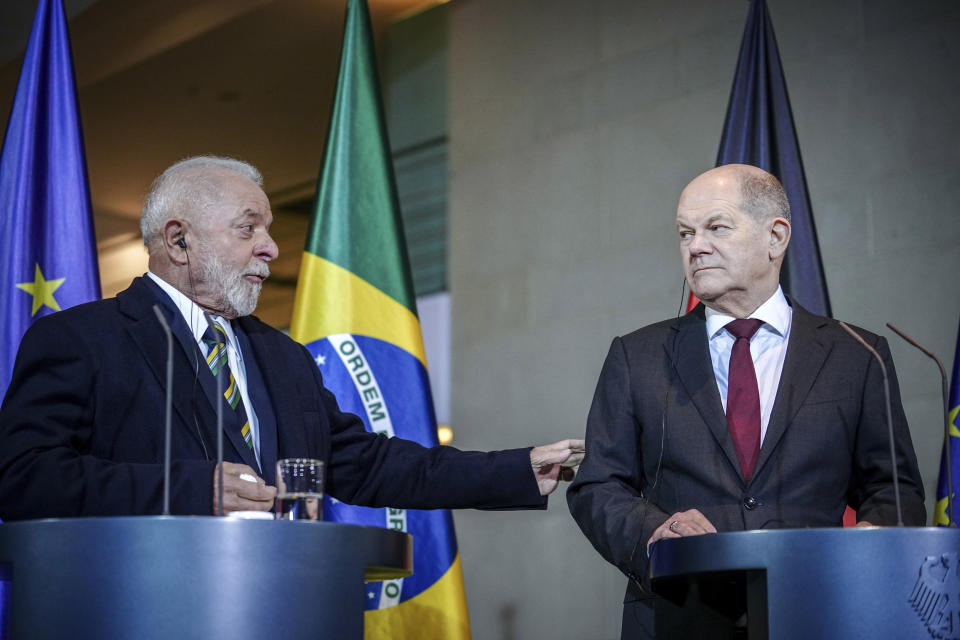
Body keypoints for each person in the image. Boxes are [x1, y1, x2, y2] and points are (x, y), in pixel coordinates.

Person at [0, 155, 583, 519]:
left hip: (279, 602)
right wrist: (188, 490)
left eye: (270, 229)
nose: (272, 248)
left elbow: (366, 464)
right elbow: (23, 478)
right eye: (248, 228)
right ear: (178, 241)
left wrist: (516, 469)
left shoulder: (283, 356)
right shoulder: (80, 339)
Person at [566, 164, 925, 638]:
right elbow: (597, 485)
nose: (695, 246)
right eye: (684, 233)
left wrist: (873, 542)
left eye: (716, 227)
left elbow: (892, 489)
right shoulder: (637, 356)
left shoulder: (857, 355)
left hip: (818, 610)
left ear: (775, 236)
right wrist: (652, 531)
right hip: (678, 614)